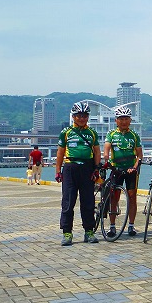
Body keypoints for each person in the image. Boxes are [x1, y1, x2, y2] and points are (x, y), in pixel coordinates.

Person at [56, 101, 101, 246]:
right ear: (73, 117)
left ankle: (89, 231)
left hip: (87, 168)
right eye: (79, 115)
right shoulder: (66, 132)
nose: (82, 118)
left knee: (88, 202)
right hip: (70, 167)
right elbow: (60, 152)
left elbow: (97, 152)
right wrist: (58, 170)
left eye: (85, 116)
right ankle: (67, 233)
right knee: (68, 202)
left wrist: (96, 168)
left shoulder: (92, 133)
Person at [103, 106, 143, 237]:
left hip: (131, 169)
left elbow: (140, 155)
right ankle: (112, 226)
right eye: (121, 119)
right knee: (114, 197)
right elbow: (106, 150)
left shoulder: (134, 135)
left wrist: (135, 167)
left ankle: (131, 225)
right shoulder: (111, 134)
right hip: (116, 169)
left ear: (130, 120)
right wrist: (106, 159)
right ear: (116, 120)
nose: (124, 121)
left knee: (132, 197)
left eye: (126, 119)